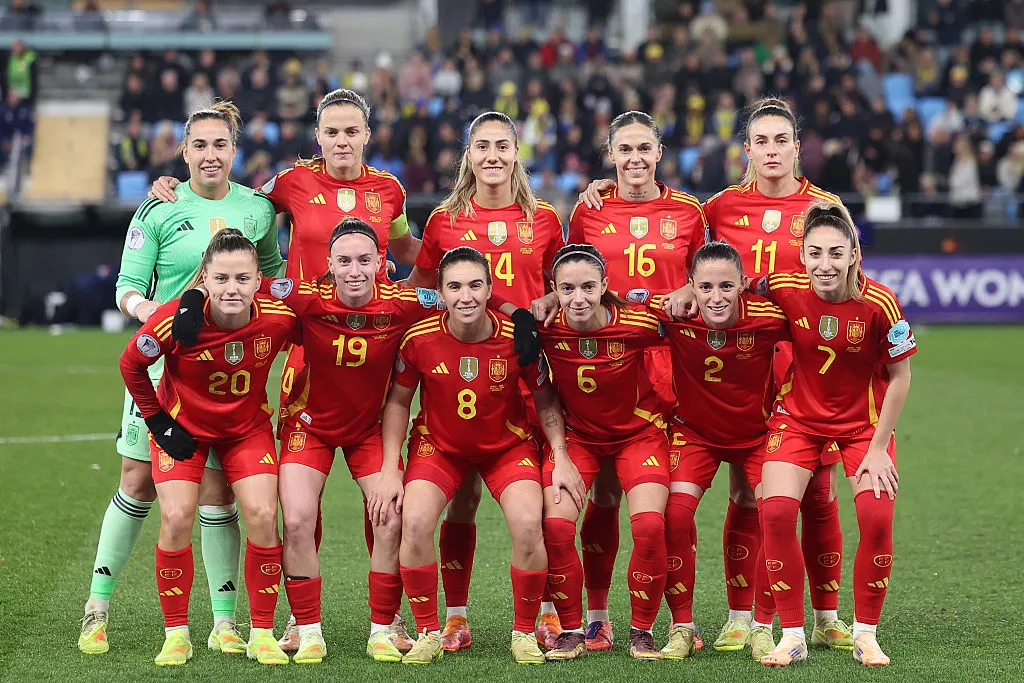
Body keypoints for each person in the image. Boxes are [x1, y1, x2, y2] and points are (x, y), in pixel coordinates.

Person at [152, 88, 423, 652]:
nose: (342, 141)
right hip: (305, 338)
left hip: (370, 341)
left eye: (353, 131)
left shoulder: (389, 189)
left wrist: (446, 261)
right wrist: (181, 194)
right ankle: (303, 619)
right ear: (317, 137)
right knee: (299, 508)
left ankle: (386, 618)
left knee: (385, 504)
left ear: (367, 136)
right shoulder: (291, 183)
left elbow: (410, 248)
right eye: (332, 131)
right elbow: (241, 205)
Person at [78, 102, 283, 657]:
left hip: (228, 374)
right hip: (163, 366)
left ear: (234, 151)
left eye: (221, 145)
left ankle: (223, 621)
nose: (211, 154)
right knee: (138, 483)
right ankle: (97, 606)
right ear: (184, 151)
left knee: (218, 491)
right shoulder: (157, 206)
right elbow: (125, 288)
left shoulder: (258, 209)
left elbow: (276, 279)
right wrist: (166, 318)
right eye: (200, 145)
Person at [689, 98, 853, 654]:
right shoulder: (720, 207)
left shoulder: (826, 206)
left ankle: (827, 614)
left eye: (782, 139)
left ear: (797, 146)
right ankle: (742, 616)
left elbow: (850, 288)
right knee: (749, 488)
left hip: (810, 367)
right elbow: (694, 269)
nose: (773, 150)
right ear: (748, 149)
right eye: (762, 140)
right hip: (746, 365)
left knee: (820, 492)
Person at [403, 111, 564, 651]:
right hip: (465, 374)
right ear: (467, 155)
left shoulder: (543, 218)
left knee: (539, 505)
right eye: (482, 146)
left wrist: (543, 304)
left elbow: (560, 286)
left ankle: (546, 611)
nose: (492, 155)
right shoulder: (445, 220)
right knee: (464, 499)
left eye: (502, 145)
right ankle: (454, 615)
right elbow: (423, 289)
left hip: (532, 372)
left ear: (517, 152)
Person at [547, 110, 707, 650]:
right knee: (605, 498)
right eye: (624, 150)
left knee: (663, 509)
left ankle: (680, 620)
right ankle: (595, 616)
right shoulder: (589, 209)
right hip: (600, 364)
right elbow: (571, 271)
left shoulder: (688, 211)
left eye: (645, 148)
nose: (635, 159)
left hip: (668, 365)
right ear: (609, 155)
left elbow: (703, 276)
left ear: (660, 152)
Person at [377, 247, 569, 665]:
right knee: (413, 523)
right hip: (439, 446)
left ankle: (523, 632)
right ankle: (432, 628)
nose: (466, 296)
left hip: (507, 445)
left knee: (527, 525)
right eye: (455, 286)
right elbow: (396, 403)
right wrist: (391, 467)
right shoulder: (420, 337)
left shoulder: (515, 336)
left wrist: (561, 455)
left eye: (475, 285)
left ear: (490, 289)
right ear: (441, 293)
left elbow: (546, 401)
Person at [119, 229, 296, 666]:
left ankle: (262, 633)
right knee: (177, 516)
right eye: (220, 279)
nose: (231, 289)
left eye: (241, 278)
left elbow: (317, 308)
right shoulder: (176, 319)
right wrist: (157, 421)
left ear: (259, 280)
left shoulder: (279, 316)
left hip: (246, 430)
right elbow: (131, 363)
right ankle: (177, 634)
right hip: (184, 429)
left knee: (263, 515)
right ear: (205, 279)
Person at [756, 202, 914, 667]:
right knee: (777, 512)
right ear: (802, 256)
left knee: (877, 519)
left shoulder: (880, 302)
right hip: (798, 419)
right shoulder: (784, 285)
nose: (825, 265)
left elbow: (900, 377)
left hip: (864, 427)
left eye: (835, 253)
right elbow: (739, 286)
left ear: (853, 256)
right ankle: (792, 635)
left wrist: (880, 447)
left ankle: (866, 633)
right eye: (815, 253)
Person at [630, 241, 788, 660]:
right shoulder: (672, 312)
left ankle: (760, 625)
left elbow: (809, 306)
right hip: (694, 434)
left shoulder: (770, 317)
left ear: (742, 287)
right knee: (674, 514)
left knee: (775, 513)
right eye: (705, 287)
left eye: (726, 286)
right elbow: (607, 301)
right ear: (690, 287)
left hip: (758, 435)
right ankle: (682, 625)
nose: (715, 297)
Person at [536, 244, 670, 661]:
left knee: (649, 526)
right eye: (568, 289)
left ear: (605, 287)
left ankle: (642, 631)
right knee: (556, 528)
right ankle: (574, 630)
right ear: (554, 291)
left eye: (589, 287)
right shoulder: (544, 328)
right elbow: (542, 394)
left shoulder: (639, 322)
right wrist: (559, 455)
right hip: (578, 438)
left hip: (639, 434)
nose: (579, 298)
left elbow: (694, 317)